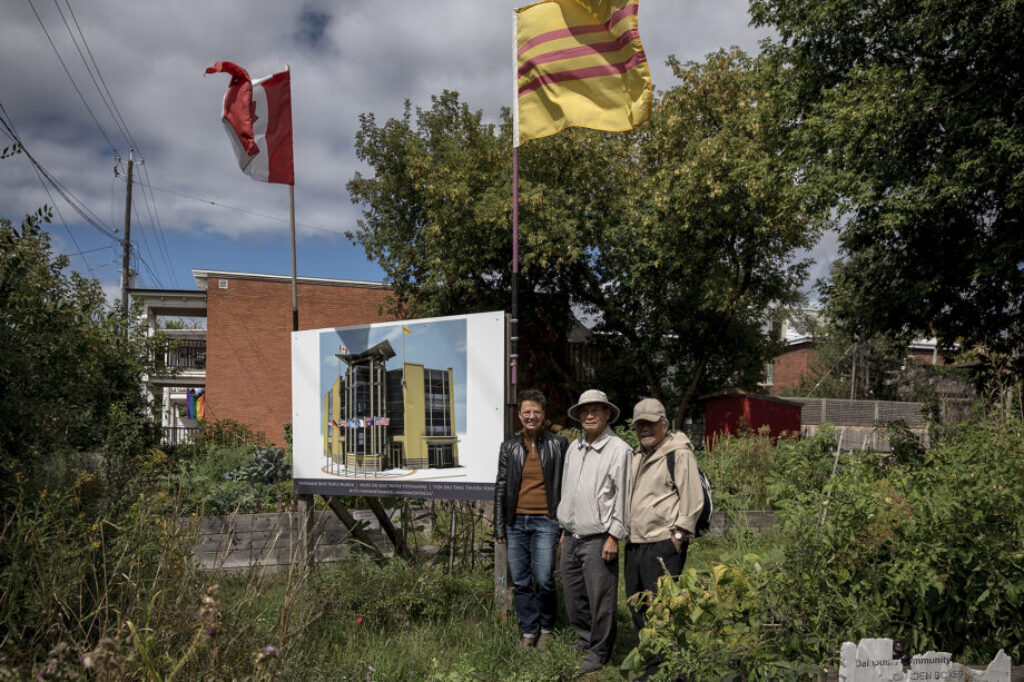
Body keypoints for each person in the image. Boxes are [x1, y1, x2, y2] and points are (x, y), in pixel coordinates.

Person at [625, 397, 705, 681]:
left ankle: (668, 670)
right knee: (638, 607)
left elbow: (692, 498)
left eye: (650, 423)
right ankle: (652, 665)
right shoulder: (638, 454)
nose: (644, 429)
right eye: (640, 424)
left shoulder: (678, 453)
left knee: (663, 609)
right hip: (636, 543)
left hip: (662, 543)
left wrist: (678, 536)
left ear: (664, 424)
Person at [557, 389, 631, 674]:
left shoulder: (618, 449)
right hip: (572, 535)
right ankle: (585, 638)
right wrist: (565, 527)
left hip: (600, 537)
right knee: (574, 595)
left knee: (601, 598)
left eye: (595, 410)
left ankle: (601, 651)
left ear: (607, 414)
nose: (589, 415)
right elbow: (567, 490)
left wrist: (614, 535)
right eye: (584, 411)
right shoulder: (574, 448)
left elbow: (623, 495)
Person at [494, 389, 568, 651]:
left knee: (544, 577)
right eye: (527, 412)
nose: (531, 416)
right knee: (522, 580)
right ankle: (529, 630)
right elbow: (501, 486)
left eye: (536, 411)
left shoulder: (558, 444)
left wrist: (564, 525)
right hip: (515, 524)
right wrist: (499, 525)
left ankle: (547, 628)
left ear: (544, 415)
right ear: (519, 415)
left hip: (546, 522)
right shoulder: (509, 447)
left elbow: (565, 485)